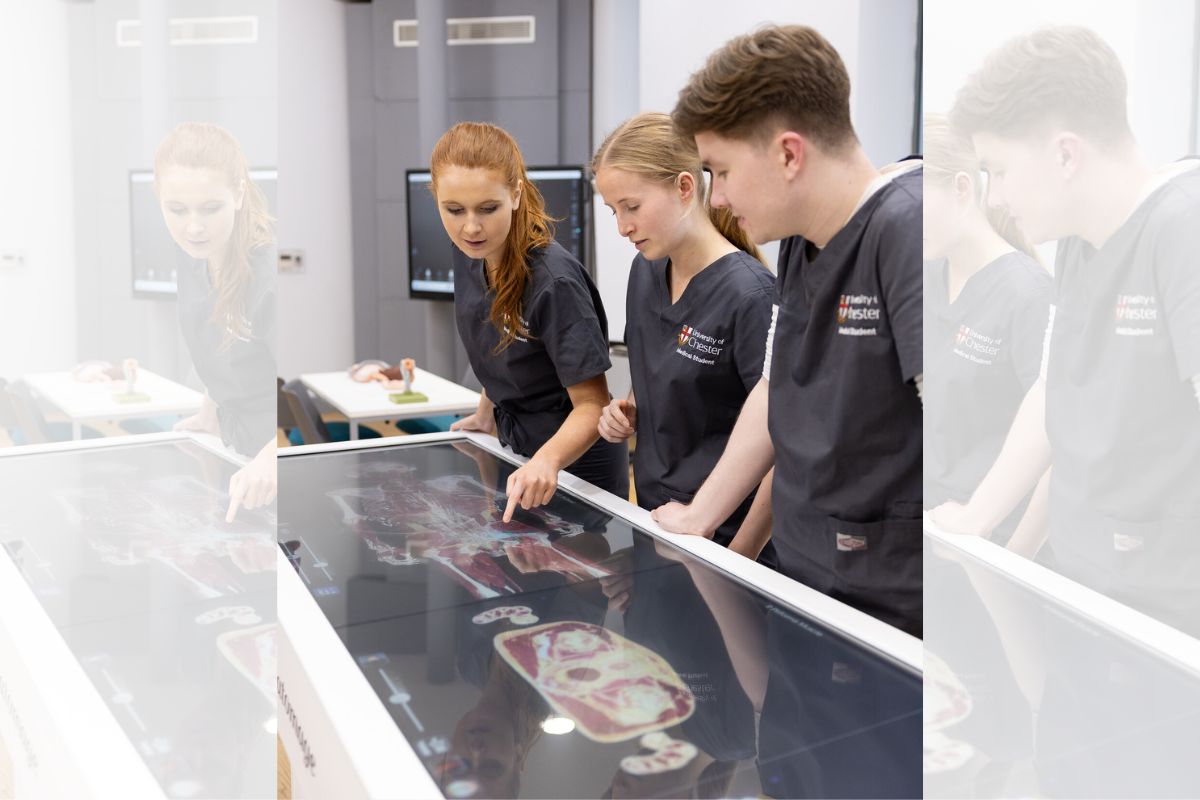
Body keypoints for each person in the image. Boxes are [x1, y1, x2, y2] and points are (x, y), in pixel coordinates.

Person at [649, 25, 924, 637]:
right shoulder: (800, 241)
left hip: (885, 608)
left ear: (789, 154)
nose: (716, 199)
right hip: (801, 578)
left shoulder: (907, 231)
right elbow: (774, 389)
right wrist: (701, 517)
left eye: (720, 171)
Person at [931, 26, 1200, 635]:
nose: (994, 195)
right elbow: (1054, 394)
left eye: (998, 170)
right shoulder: (1079, 245)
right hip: (1084, 593)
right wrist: (982, 524)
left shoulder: (1183, 231)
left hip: (1167, 620)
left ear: (1065, 154)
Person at [591, 111, 777, 566]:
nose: (622, 227)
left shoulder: (751, 295)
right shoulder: (646, 269)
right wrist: (629, 407)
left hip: (726, 540)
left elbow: (780, 444)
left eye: (632, 207)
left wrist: (741, 558)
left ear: (684, 187)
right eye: (613, 211)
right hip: (655, 522)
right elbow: (662, 369)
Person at [431, 122, 628, 521]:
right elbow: (495, 338)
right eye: (454, 210)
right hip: (519, 451)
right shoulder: (470, 251)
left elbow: (592, 405)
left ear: (516, 194)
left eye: (488, 209)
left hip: (575, 465)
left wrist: (547, 461)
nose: (470, 227)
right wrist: (486, 410)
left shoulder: (554, 282)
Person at [922, 113, 1051, 549]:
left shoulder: (1028, 294)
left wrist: (1017, 558)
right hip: (928, 529)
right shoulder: (925, 277)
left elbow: (1058, 442)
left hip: (991, 542)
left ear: (962, 188)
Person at [154, 122, 277, 521]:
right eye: (177, 210)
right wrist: (210, 410)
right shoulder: (192, 254)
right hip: (234, 447)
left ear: (239, 194)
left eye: (210, 209)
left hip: (277, 461)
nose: (193, 226)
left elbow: (297, 390)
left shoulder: (268, 279)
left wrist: (272, 459)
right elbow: (212, 334)